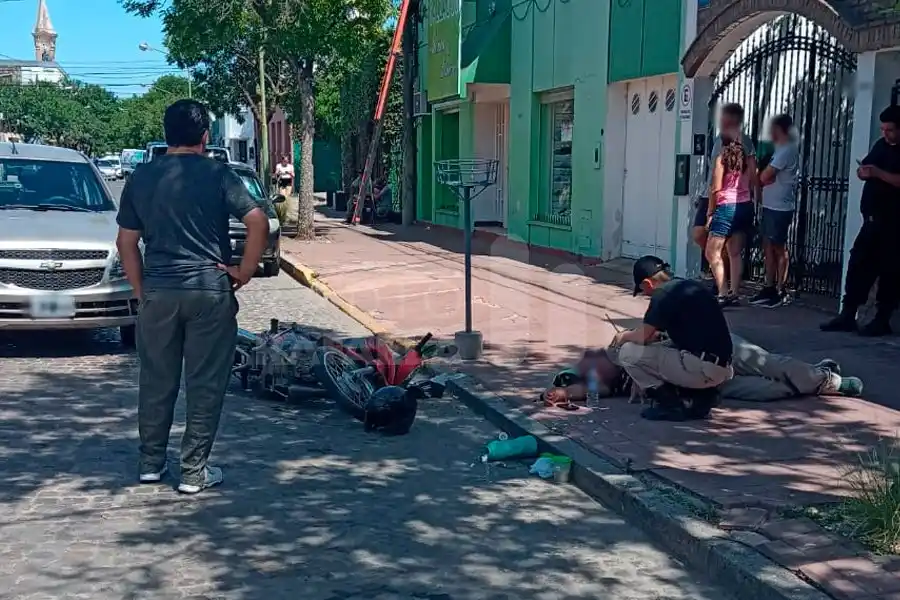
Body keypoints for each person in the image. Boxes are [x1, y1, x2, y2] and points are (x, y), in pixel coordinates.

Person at [116, 99, 270, 494]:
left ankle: (151, 462)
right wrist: (244, 272)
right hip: (208, 290)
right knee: (204, 383)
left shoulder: (140, 178)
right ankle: (193, 471)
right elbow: (258, 222)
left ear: (166, 135)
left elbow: (127, 243)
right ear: (205, 136)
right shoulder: (220, 174)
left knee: (156, 379)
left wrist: (140, 291)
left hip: (159, 291)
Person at [542, 333, 863, 406]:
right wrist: (562, 393)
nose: (593, 377)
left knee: (772, 365)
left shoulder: (622, 347)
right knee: (770, 390)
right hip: (704, 383)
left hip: (713, 349)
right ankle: (815, 377)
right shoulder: (617, 382)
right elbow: (589, 390)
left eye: (589, 368)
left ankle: (829, 378)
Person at [608, 256, 734, 421]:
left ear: (647, 283)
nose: (646, 295)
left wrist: (622, 336)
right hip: (723, 367)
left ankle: (670, 405)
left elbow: (643, 335)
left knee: (628, 353)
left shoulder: (662, 294)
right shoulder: (690, 286)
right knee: (666, 345)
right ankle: (703, 398)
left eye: (643, 291)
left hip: (701, 369)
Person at [821, 105, 900, 337]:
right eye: (883, 129)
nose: (886, 134)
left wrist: (877, 173)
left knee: (890, 272)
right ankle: (848, 314)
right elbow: (867, 166)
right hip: (872, 220)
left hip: (894, 224)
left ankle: (882, 318)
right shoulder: (881, 146)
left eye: (891, 130)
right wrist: (864, 172)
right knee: (858, 266)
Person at [693, 103, 756, 282]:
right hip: (712, 194)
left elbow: (750, 172)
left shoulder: (743, 141)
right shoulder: (718, 140)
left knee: (724, 248)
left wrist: (754, 197)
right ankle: (721, 275)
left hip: (727, 199)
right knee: (699, 234)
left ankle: (722, 284)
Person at [705, 128, 761, 306]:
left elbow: (715, 188)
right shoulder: (748, 159)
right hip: (744, 206)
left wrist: (710, 212)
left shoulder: (722, 159)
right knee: (735, 253)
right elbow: (754, 181)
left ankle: (722, 292)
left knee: (712, 252)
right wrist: (755, 205)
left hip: (726, 207)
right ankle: (734, 293)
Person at [750, 114, 799, 308]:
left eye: (773, 129)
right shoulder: (776, 150)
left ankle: (781, 289)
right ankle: (768, 286)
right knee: (767, 245)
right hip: (769, 204)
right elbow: (763, 175)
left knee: (779, 246)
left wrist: (762, 176)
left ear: (781, 130)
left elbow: (764, 176)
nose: (770, 133)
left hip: (780, 207)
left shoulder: (786, 150)